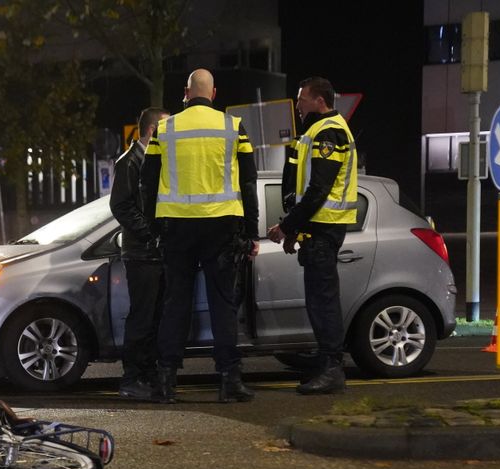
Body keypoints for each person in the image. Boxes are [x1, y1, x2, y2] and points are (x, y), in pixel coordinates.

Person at [140, 69, 259, 404]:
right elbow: (248, 183)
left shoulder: (165, 129)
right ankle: (229, 381)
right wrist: (251, 232)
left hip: (176, 227)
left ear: (186, 92)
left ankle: (166, 382)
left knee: (176, 302)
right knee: (223, 304)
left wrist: (152, 228)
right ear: (214, 92)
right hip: (222, 227)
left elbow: (147, 184)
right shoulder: (233, 127)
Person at [267, 76, 358, 395]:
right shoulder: (316, 130)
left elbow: (318, 189)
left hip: (325, 227)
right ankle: (326, 365)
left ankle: (332, 369)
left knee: (323, 302)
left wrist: (287, 227)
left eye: (302, 98)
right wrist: (296, 229)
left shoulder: (329, 131)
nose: (298, 104)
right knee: (318, 301)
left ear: (320, 101)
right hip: (317, 228)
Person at [110, 106, 169, 401]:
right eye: (165, 128)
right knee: (142, 318)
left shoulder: (151, 160)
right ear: (151, 130)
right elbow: (120, 205)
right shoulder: (130, 161)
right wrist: (149, 232)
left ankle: (148, 376)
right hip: (142, 253)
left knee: (154, 318)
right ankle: (132, 378)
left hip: (153, 252)